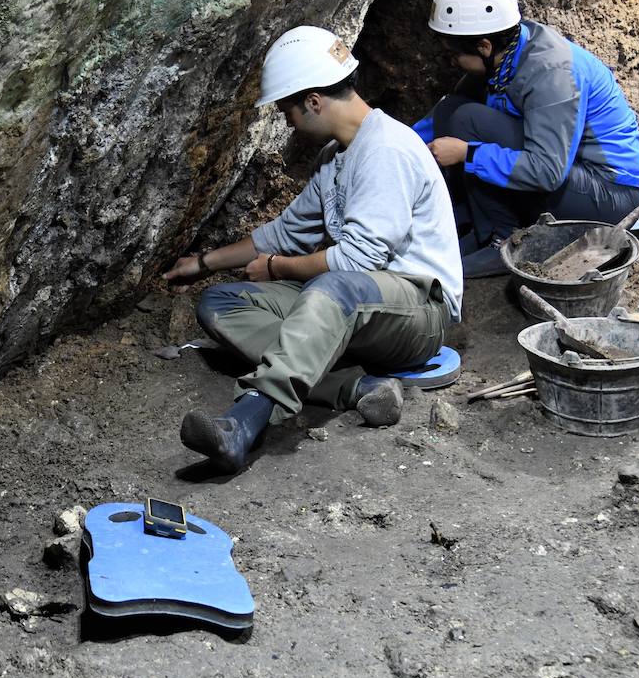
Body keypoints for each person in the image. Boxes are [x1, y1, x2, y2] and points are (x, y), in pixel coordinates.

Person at [163, 26, 463, 474]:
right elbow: (285, 233)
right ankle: (358, 387)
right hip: (358, 304)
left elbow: (357, 261)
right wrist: (203, 264)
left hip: (420, 311)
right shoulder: (335, 156)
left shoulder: (386, 150)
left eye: (288, 110)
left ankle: (246, 421)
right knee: (222, 303)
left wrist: (278, 268)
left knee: (333, 285)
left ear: (314, 101)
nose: (288, 121)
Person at [417, 0, 639, 278]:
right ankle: (475, 224)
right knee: (451, 110)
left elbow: (547, 172)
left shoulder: (552, 73)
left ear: (484, 46)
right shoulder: (509, 49)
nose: (452, 62)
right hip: (571, 172)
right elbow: (438, 119)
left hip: (609, 194)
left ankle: (503, 240)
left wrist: (468, 154)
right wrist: (394, 143)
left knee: (468, 121)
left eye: (454, 54)